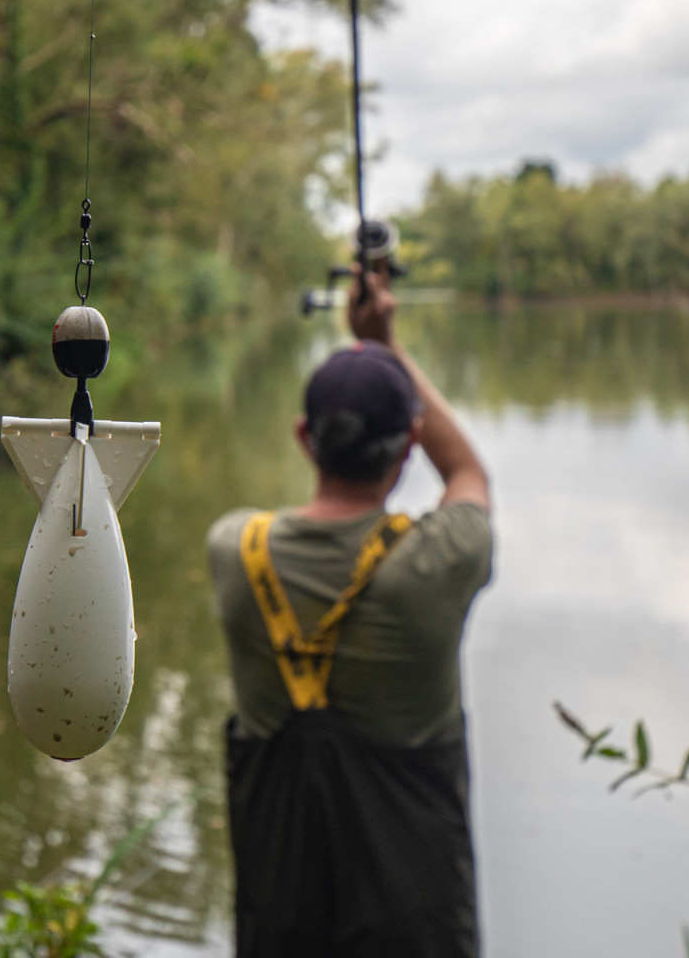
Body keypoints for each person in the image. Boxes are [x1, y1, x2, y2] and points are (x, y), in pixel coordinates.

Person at [206, 265, 493, 958]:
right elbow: (468, 475)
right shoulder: (438, 562)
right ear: (406, 449)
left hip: (282, 930)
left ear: (306, 440)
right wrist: (386, 342)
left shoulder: (235, 550)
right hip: (416, 933)